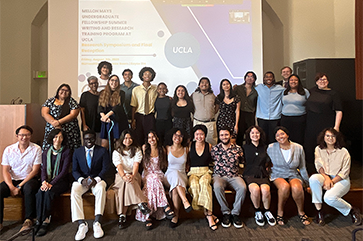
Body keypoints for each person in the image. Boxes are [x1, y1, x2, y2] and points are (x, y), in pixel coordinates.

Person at [309, 128, 362, 226]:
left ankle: (351, 210)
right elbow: (318, 165)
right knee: (313, 179)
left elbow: (345, 172)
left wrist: (332, 182)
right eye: (327, 136)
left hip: (341, 179)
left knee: (329, 198)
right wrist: (326, 178)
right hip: (325, 176)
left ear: (337, 138)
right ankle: (319, 211)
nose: (330, 138)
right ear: (323, 137)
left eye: (333, 136)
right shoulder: (318, 149)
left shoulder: (343, 152)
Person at [71, 130, 112, 240]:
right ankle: (81, 224)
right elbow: (74, 170)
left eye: (92, 139)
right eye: (87, 139)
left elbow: (106, 168)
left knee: (101, 188)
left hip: (97, 180)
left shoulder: (102, 151)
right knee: (74, 189)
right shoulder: (77, 152)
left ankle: (97, 222)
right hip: (83, 181)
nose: (89, 141)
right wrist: (81, 180)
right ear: (83, 140)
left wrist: (96, 179)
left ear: (95, 139)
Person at [0, 125, 41, 233]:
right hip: (12, 180)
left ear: (30, 136)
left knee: (29, 189)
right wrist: (11, 187)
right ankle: (0, 223)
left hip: (29, 179)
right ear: (17, 136)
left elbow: (35, 171)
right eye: (22, 135)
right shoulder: (9, 150)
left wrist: (19, 186)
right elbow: (5, 170)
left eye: (27, 135)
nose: (24, 137)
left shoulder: (36, 149)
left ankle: (28, 220)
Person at [267, 126, 310, 226]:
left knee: (297, 187)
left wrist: (307, 183)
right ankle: (280, 213)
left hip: (293, 173)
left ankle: (301, 212)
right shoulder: (271, 147)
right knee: (284, 187)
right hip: (277, 173)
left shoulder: (298, 148)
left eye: (282, 134)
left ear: (287, 135)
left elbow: (302, 167)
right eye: (277, 135)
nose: (280, 137)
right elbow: (266, 164)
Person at [135, 131, 175, 229]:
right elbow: (143, 165)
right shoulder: (145, 148)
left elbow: (164, 165)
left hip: (158, 173)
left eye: (153, 137)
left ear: (157, 138)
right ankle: (165, 206)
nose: (151, 139)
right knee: (152, 180)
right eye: (149, 137)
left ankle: (147, 216)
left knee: (154, 180)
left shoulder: (162, 149)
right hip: (147, 174)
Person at [34, 129, 71, 236]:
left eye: (60, 137)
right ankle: (38, 219)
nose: (57, 139)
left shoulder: (66, 151)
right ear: (51, 138)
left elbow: (64, 171)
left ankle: (46, 220)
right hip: (48, 181)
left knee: (49, 193)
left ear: (63, 139)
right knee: (40, 193)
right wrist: (44, 182)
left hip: (61, 182)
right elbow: (44, 169)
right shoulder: (46, 152)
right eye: (55, 137)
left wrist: (51, 183)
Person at [112, 129, 150, 229]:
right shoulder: (116, 152)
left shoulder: (137, 150)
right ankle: (141, 202)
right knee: (126, 183)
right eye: (125, 138)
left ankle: (122, 215)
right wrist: (124, 176)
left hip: (134, 174)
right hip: (121, 175)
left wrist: (132, 175)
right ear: (122, 139)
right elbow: (119, 167)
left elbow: (136, 165)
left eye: (130, 138)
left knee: (129, 182)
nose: (128, 140)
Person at [305, 73, 343, 166]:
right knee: (310, 146)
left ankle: (326, 169)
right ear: (316, 82)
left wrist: (336, 127)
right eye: (320, 80)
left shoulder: (333, 94)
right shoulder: (311, 91)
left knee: (324, 145)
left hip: (326, 123)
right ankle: (312, 169)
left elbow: (339, 111)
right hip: (311, 123)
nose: (322, 82)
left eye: (324, 80)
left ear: (328, 81)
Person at [211, 128, 246, 229]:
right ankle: (226, 212)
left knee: (242, 187)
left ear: (230, 136)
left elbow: (242, 162)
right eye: (221, 135)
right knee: (217, 187)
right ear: (219, 136)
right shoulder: (215, 149)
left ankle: (235, 214)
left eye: (226, 135)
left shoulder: (238, 149)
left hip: (234, 175)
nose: (224, 137)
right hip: (219, 175)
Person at [242, 126, 275, 227]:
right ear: (249, 135)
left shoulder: (265, 148)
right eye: (252, 133)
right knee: (255, 189)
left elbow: (269, 162)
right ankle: (257, 211)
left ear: (260, 135)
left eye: (257, 133)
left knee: (265, 189)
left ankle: (267, 211)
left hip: (262, 174)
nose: (255, 135)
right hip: (249, 173)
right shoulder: (244, 147)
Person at [188, 125, 218, 231]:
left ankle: (209, 215)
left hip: (206, 171)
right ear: (194, 135)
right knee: (194, 186)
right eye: (197, 134)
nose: (199, 136)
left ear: (205, 135)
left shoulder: (209, 146)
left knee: (205, 184)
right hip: (193, 172)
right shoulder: (190, 145)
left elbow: (214, 160)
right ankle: (205, 212)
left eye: (201, 134)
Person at [164, 128, 192, 228]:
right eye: (176, 135)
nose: (177, 137)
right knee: (175, 173)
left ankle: (175, 215)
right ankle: (185, 201)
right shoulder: (167, 148)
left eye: (180, 136)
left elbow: (188, 163)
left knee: (175, 189)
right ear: (172, 136)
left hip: (182, 175)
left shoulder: (186, 149)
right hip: (168, 175)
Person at [41, 84, 81, 151]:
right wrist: (54, 123)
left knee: (69, 149)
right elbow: (44, 113)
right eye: (62, 90)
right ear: (58, 91)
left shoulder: (72, 102)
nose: (64, 92)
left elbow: (73, 114)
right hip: (53, 129)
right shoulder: (50, 101)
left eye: (67, 90)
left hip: (69, 131)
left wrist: (58, 122)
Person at [98, 74, 129, 150]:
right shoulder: (102, 93)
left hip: (118, 120)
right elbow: (99, 107)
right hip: (106, 120)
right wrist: (103, 117)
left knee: (118, 143)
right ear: (109, 81)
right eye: (112, 80)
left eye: (116, 81)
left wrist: (106, 116)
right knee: (104, 144)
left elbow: (117, 107)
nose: (114, 82)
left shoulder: (121, 93)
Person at [131, 67, 158, 146]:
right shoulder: (136, 89)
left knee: (150, 137)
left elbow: (162, 94)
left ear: (152, 76)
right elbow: (133, 106)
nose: (147, 76)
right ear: (142, 76)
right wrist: (133, 120)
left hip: (150, 116)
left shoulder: (155, 88)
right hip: (139, 116)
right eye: (145, 74)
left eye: (149, 74)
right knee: (139, 137)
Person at [255, 72, 285, 144]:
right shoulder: (258, 88)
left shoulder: (280, 89)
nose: (268, 78)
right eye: (266, 77)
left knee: (274, 138)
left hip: (275, 117)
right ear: (264, 78)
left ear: (273, 78)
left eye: (270, 76)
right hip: (262, 117)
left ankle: (273, 153)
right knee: (262, 138)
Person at [280, 74, 310, 145]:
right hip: (285, 119)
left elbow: (310, 104)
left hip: (299, 119)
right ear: (288, 82)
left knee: (299, 138)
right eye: (291, 80)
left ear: (299, 81)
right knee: (286, 138)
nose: (293, 81)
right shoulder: (284, 92)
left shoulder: (305, 92)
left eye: (295, 80)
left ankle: (298, 155)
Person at [192, 77, 219, 145]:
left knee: (212, 143)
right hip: (197, 122)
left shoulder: (212, 95)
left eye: (206, 83)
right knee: (197, 142)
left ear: (209, 85)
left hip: (210, 123)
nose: (204, 84)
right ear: (199, 85)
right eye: (202, 82)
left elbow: (217, 105)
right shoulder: (194, 95)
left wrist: (212, 113)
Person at [234, 71, 258, 146]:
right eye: (248, 76)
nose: (249, 78)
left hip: (250, 114)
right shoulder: (238, 88)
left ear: (254, 79)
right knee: (239, 135)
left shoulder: (256, 90)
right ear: (245, 78)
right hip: (240, 113)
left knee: (250, 134)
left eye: (252, 77)